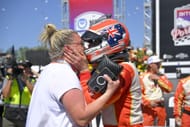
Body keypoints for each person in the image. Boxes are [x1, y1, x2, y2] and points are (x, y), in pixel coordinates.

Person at [25, 24, 120, 127]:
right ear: (68, 49)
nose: (85, 48)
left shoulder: (50, 70)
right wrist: (109, 92)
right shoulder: (63, 73)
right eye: (81, 44)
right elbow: (82, 118)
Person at [64, 18, 143, 127]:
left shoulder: (122, 70)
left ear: (107, 42)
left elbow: (88, 104)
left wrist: (83, 70)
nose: (88, 48)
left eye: (93, 43)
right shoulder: (116, 66)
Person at [139, 55, 173, 126]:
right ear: (150, 65)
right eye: (157, 63)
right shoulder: (142, 77)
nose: (159, 65)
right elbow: (138, 94)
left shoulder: (162, 76)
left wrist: (158, 79)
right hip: (148, 109)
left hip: (161, 107)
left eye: (159, 63)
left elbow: (169, 89)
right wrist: (148, 103)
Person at [2, 60, 35, 127]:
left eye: (26, 68)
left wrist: (26, 80)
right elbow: (5, 95)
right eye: (22, 68)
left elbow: (35, 94)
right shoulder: (9, 78)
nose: (23, 70)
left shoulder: (32, 80)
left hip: (25, 116)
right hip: (9, 116)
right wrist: (11, 79)